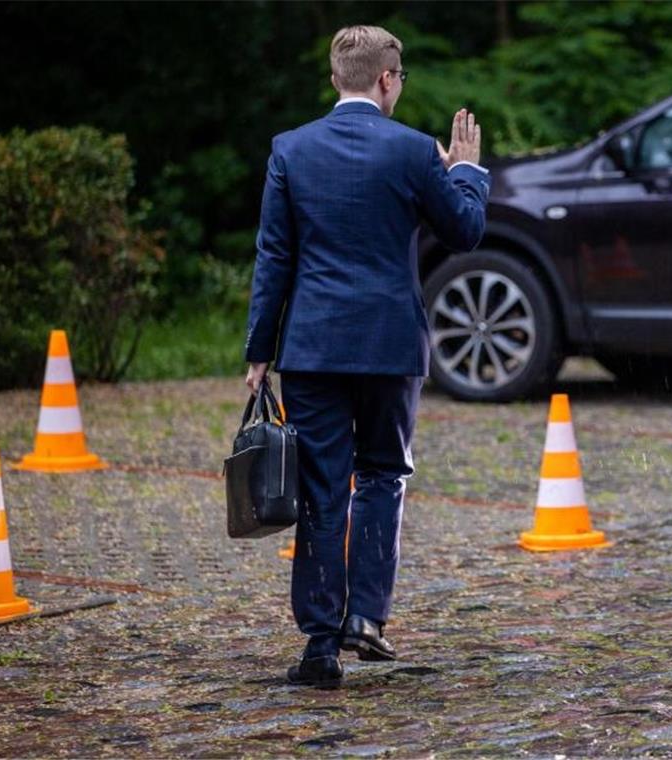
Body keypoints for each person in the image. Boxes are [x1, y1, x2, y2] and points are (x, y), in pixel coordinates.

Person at [243, 25, 491, 688]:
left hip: (314, 348)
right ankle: (366, 620)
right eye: (399, 79)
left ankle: (319, 646)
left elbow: (275, 256)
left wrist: (259, 350)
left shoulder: (290, 150)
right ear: (387, 79)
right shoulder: (413, 151)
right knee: (382, 474)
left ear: (335, 80)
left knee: (323, 487)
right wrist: (465, 171)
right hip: (389, 346)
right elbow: (465, 231)